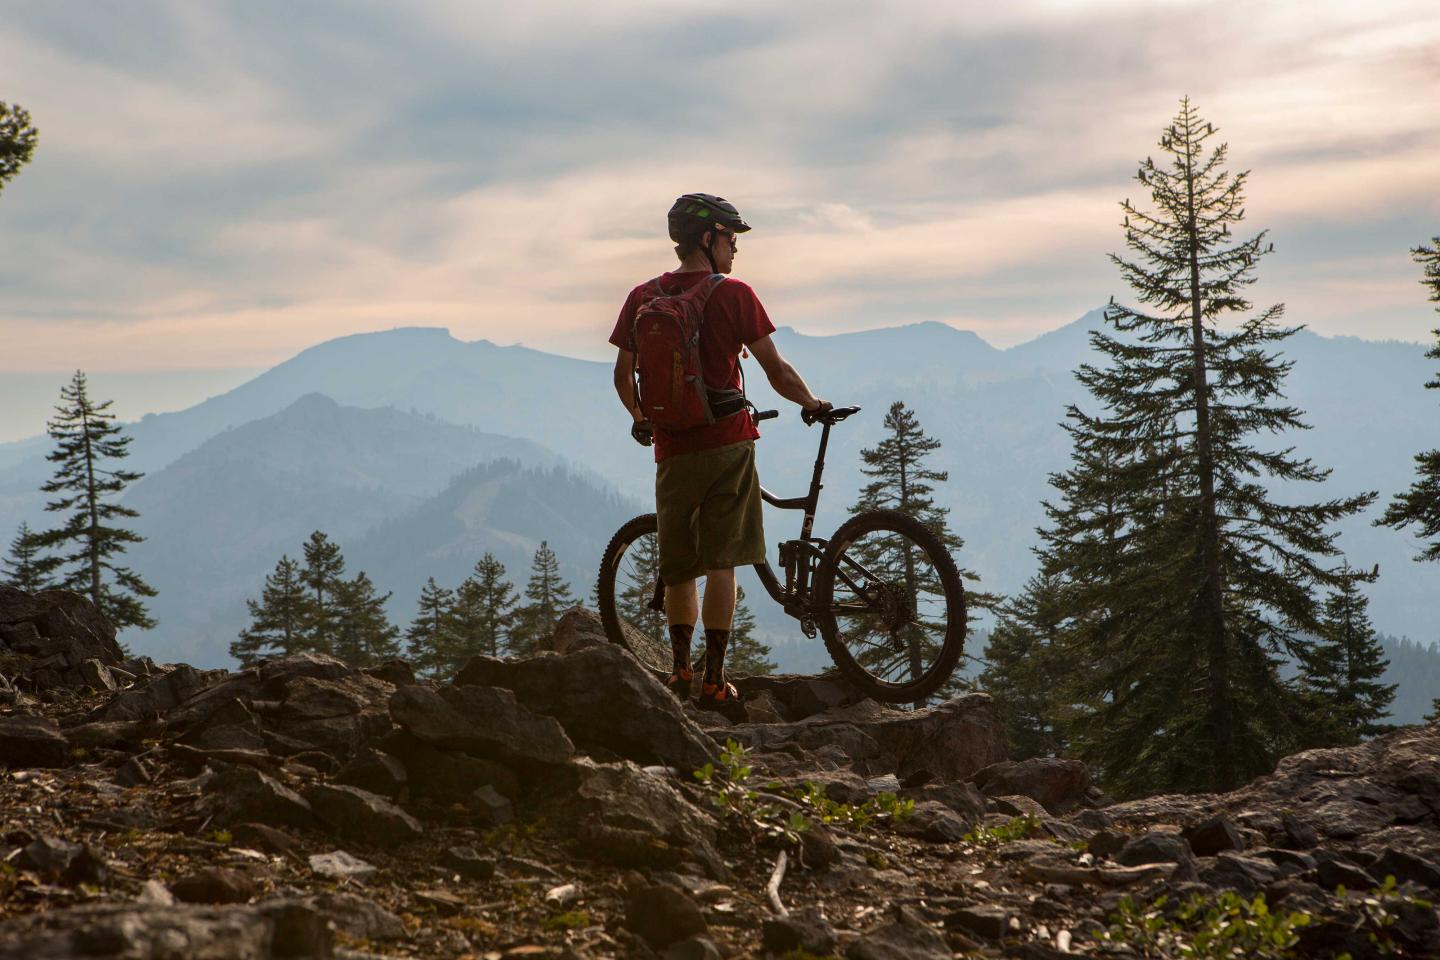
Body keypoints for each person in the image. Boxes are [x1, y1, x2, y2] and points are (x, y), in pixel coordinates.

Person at [609, 193, 829, 718]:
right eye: (732, 237)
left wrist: (643, 419)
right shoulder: (734, 295)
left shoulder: (643, 295)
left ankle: (680, 672)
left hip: (672, 450)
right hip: (728, 444)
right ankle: (715, 681)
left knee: (680, 566)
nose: (736, 249)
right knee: (723, 563)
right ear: (709, 239)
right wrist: (813, 403)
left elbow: (622, 376)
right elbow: (775, 370)